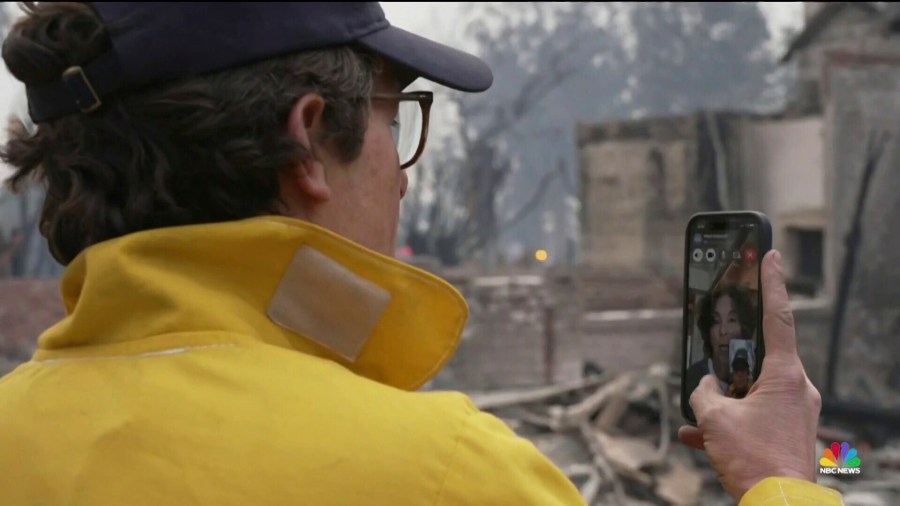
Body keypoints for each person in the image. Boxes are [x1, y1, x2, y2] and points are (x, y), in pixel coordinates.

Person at [0, 3, 840, 505]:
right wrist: (780, 477)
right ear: (305, 144)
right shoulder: (444, 475)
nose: (401, 183)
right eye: (391, 124)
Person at [684, 284, 756, 400]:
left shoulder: (759, 378)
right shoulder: (692, 378)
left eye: (732, 320)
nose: (723, 331)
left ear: (744, 327)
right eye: (716, 321)